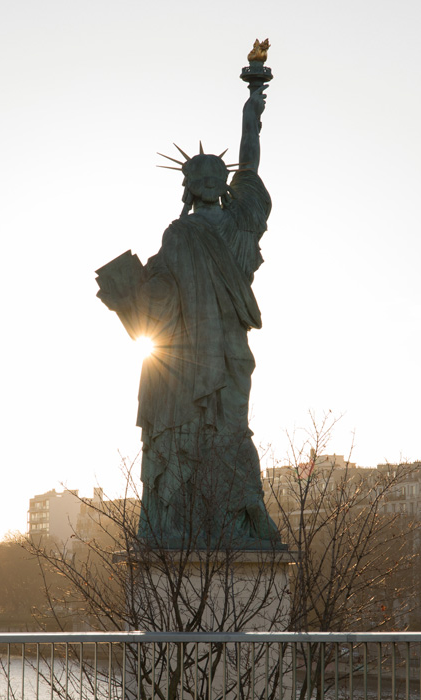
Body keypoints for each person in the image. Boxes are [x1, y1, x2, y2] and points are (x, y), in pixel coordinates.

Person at [98, 80, 280, 549]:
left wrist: (127, 294)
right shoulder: (238, 225)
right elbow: (252, 164)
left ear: (190, 189)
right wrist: (252, 110)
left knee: (209, 434)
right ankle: (228, 520)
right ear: (220, 187)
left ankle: (220, 519)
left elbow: (157, 306)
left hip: (198, 361)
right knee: (228, 432)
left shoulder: (182, 236)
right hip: (227, 357)